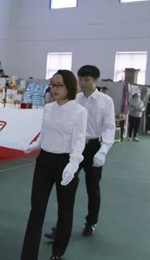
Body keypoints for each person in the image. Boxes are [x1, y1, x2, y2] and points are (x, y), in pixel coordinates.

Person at [15, 70, 87, 260]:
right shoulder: (48, 108)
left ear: (69, 87)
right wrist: (35, 145)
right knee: (36, 209)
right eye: (52, 84)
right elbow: (44, 134)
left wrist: (73, 165)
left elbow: (79, 141)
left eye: (59, 85)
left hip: (66, 162)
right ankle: (28, 259)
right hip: (44, 161)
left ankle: (58, 250)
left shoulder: (79, 112)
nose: (54, 89)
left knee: (65, 210)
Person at [45, 65, 115, 240]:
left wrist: (103, 150)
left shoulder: (106, 101)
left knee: (93, 187)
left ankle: (91, 222)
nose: (83, 83)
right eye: (81, 79)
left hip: (93, 147)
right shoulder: (75, 99)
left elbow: (109, 127)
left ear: (96, 80)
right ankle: (61, 227)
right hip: (74, 147)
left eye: (87, 80)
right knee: (66, 186)